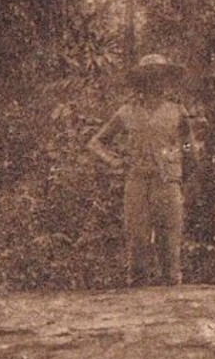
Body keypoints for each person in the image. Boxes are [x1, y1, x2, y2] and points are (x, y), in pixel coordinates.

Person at [86, 53, 202, 286]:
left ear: (167, 80)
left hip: (167, 183)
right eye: (149, 78)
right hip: (137, 183)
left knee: (169, 243)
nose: (155, 83)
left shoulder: (177, 112)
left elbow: (190, 149)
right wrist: (114, 162)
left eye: (160, 77)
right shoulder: (126, 112)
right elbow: (95, 143)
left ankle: (172, 302)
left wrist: (180, 179)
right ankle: (137, 304)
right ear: (141, 81)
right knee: (137, 241)